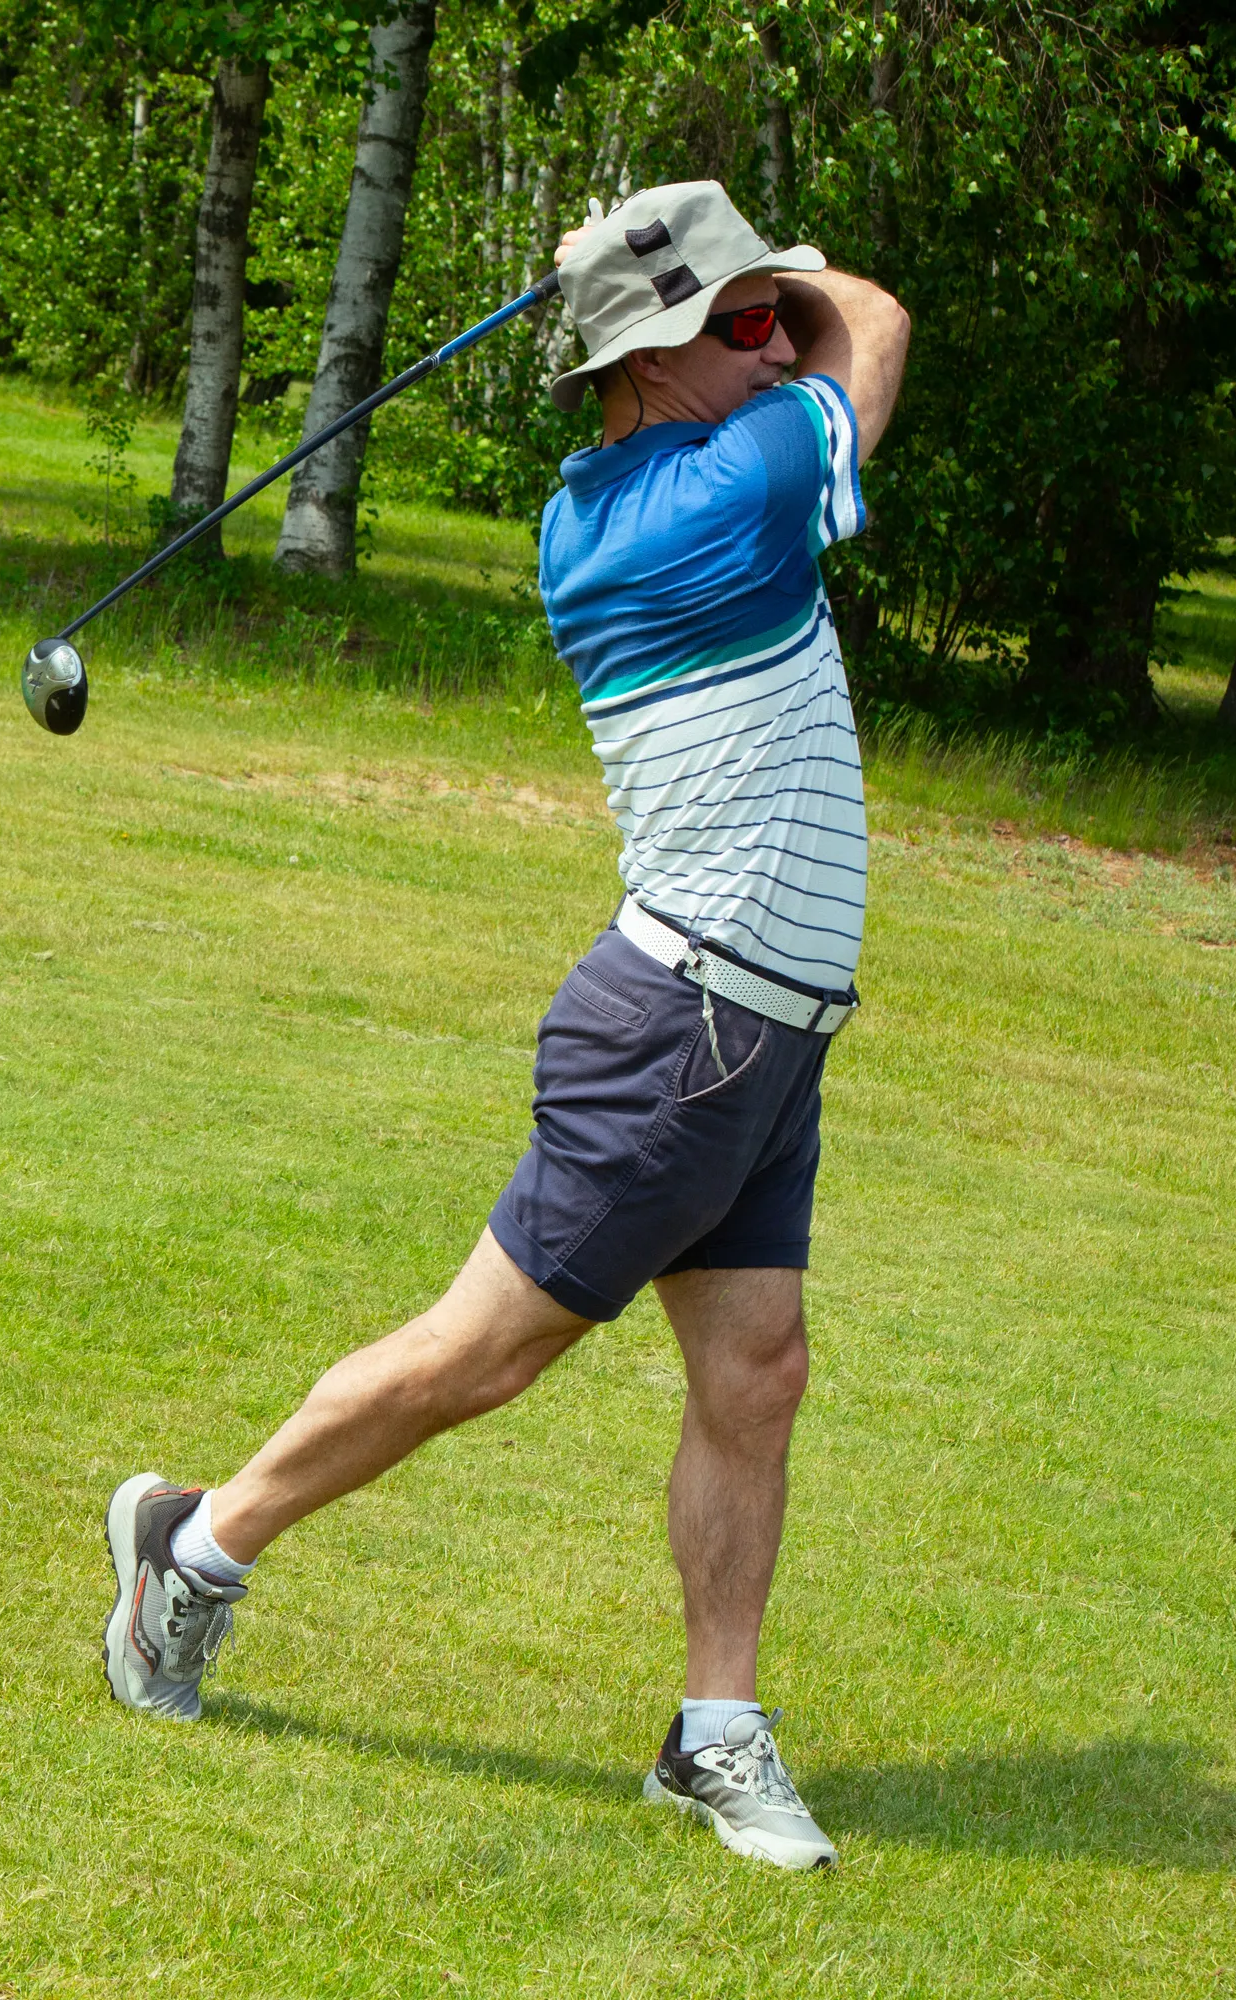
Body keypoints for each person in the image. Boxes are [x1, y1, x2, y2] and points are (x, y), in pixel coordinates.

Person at [97, 181, 911, 1873]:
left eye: (771, 320)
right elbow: (880, 322)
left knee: (757, 1376)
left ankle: (714, 1733)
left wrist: (707, 278)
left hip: (764, 1036)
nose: (779, 346)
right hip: (680, 1034)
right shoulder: (720, 496)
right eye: (743, 326)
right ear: (652, 358)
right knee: (487, 1353)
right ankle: (198, 1548)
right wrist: (787, 280)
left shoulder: (625, 488)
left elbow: (799, 335)